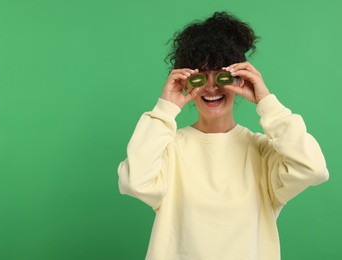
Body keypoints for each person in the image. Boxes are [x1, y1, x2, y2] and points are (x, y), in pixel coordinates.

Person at [117, 11, 329, 260]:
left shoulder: (262, 152)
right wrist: (165, 108)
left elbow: (313, 169)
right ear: (187, 81)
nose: (210, 87)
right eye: (200, 77)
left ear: (238, 77)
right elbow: (133, 181)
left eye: (220, 76)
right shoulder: (170, 150)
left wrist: (266, 102)